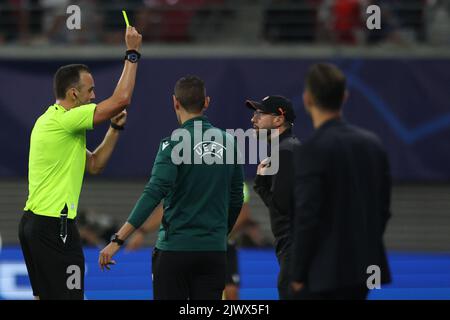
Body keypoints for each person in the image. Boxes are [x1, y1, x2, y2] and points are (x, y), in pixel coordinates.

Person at [18, 26, 143, 300]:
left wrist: (114, 130)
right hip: (55, 226)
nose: (94, 96)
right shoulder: (66, 120)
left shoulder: (51, 122)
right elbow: (122, 99)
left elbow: (95, 164)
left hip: (33, 224)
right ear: (73, 94)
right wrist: (132, 53)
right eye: (91, 90)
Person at [99, 75, 244, 300]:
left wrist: (118, 239)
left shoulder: (172, 144)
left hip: (175, 249)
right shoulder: (230, 143)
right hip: (214, 251)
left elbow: (153, 192)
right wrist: (219, 234)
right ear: (206, 102)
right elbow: (236, 197)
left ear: (175, 102)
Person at [290, 63, 392, 300]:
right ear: (344, 97)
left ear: (307, 99)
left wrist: (297, 273)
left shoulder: (312, 150)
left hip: (322, 276)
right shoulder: (373, 144)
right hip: (363, 272)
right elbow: (382, 210)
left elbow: (307, 217)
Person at [125, 182, 252, 300]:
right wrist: (142, 231)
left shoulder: (233, 178)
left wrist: (218, 233)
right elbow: (166, 208)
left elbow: (243, 214)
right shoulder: (187, 177)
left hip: (220, 245)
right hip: (185, 245)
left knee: (231, 293)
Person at [245, 95, 300, 299]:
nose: (253, 119)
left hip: (295, 247)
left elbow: (281, 208)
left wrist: (260, 185)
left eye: (260, 113)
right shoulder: (288, 148)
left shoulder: (285, 152)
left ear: (278, 119)